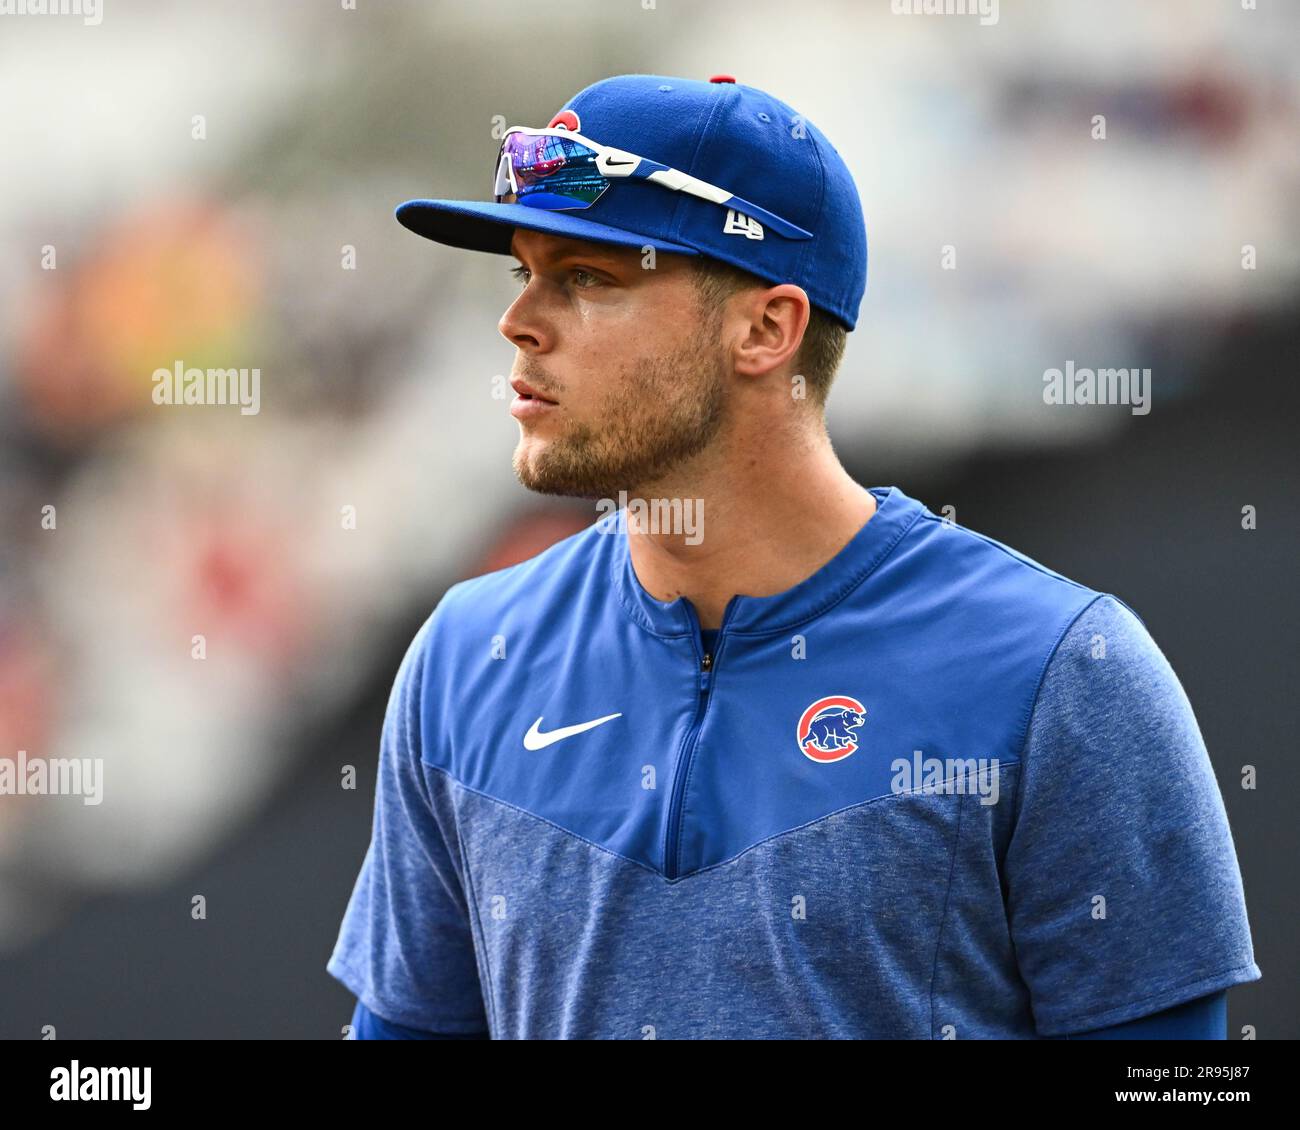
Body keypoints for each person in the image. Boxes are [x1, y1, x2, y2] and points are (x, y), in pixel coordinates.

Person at [327, 74, 1260, 1039]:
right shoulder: (466, 657)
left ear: (767, 329)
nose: (519, 323)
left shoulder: (1061, 673)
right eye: (522, 272)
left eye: (587, 279)